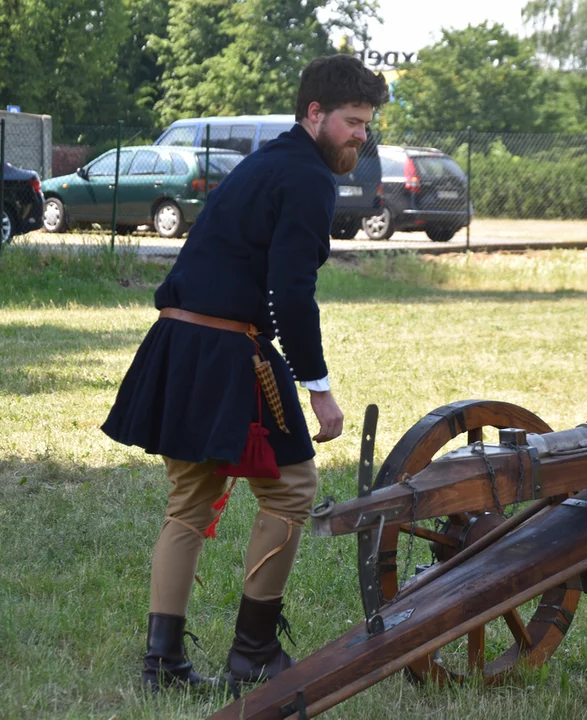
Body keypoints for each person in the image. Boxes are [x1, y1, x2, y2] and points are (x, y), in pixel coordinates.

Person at [102, 55, 388, 691]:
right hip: (230, 351)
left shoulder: (264, 163)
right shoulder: (308, 178)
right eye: (352, 122)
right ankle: (253, 653)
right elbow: (292, 292)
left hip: (178, 341)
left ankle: (163, 665)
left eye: (367, 126)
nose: (360, 137)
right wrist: (319, 390)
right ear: (315, 113)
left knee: (188, 505)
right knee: (291, 490)